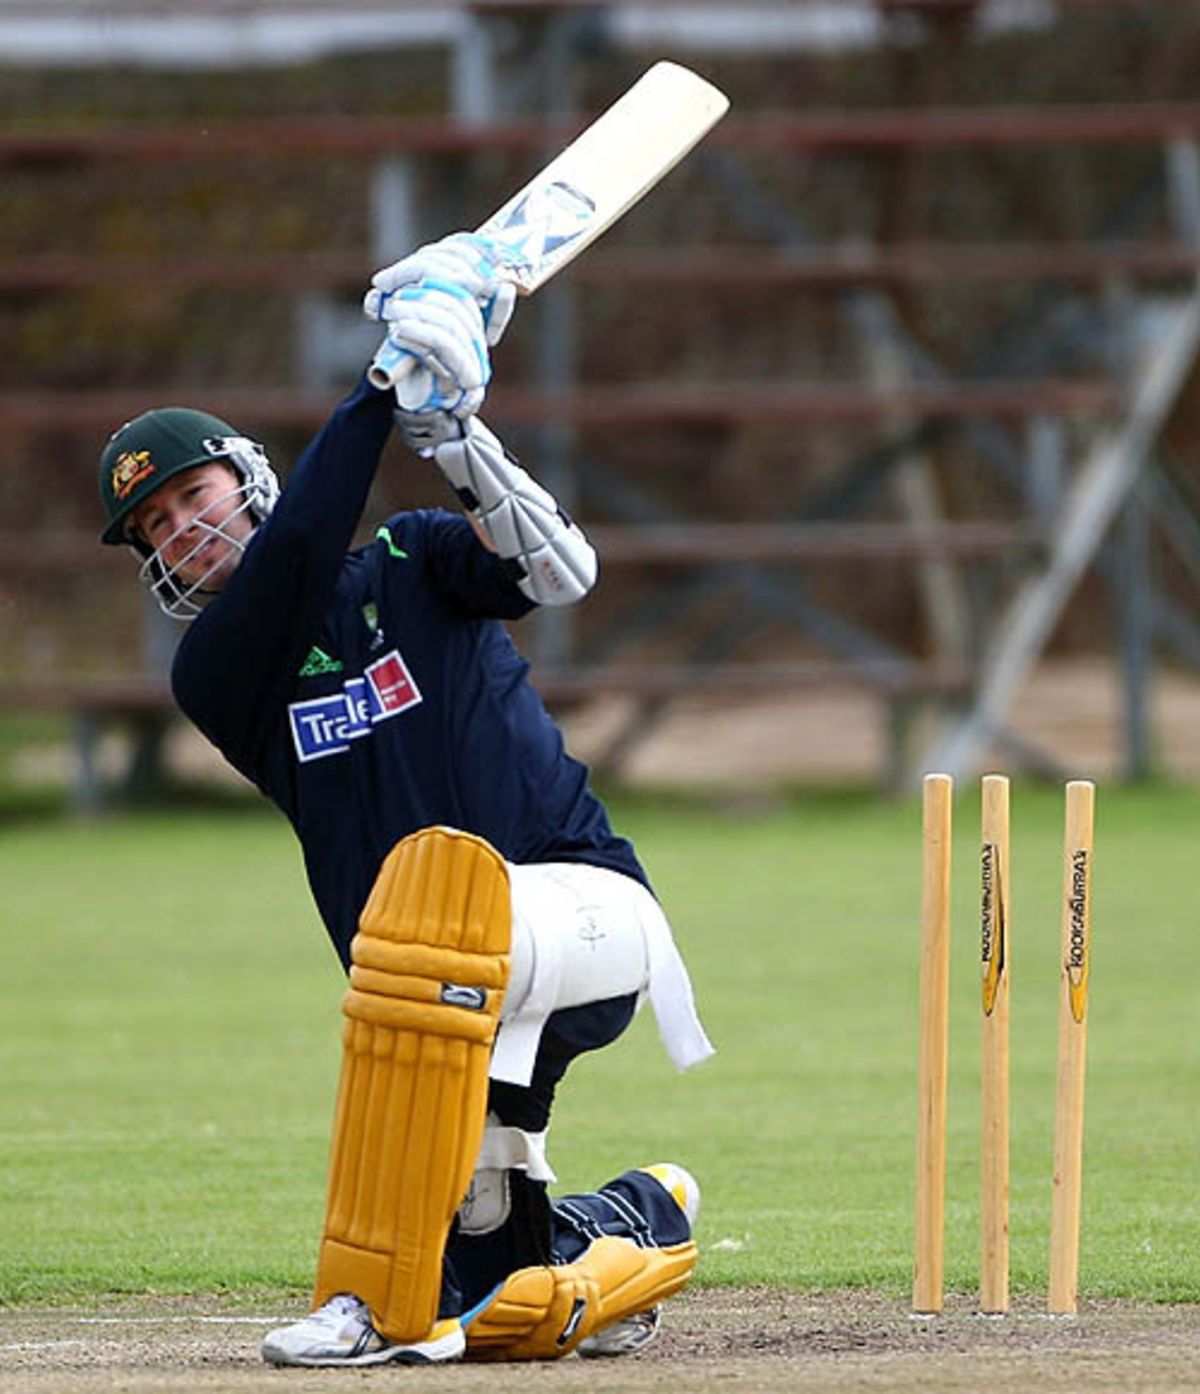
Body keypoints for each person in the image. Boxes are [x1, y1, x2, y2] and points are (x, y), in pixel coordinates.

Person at [97, 233, 714, 1367]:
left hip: (587, 911)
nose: (182, 526)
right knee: (496, 1282)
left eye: (193, 493)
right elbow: (295, 554)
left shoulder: (412, 555)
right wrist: (382, 385)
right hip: (429, 998)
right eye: (158, 528)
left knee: (436, 965)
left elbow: (562, 572)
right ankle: (628, 1227)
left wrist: (450, 433)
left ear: (244, 472)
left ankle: (371, 1298)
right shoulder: (221, 670)